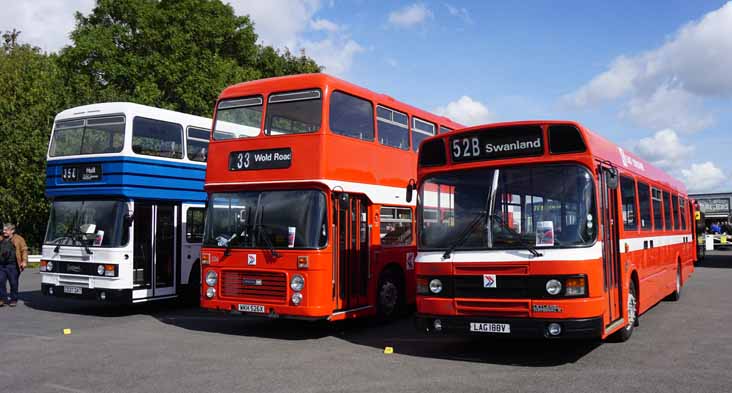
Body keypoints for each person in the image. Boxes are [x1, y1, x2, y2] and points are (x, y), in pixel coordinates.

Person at [0, 223, 28, 307]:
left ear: (12, 230)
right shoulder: (0, 238)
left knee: (13, 283)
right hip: (1, 265)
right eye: (3, 230)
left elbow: (24, 250)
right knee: (0, 281)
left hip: (13, 265)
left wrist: (24, 261)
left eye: (6, 230)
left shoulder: (19, 239)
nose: (4, 231)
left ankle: (13, 299)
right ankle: (2, 299)